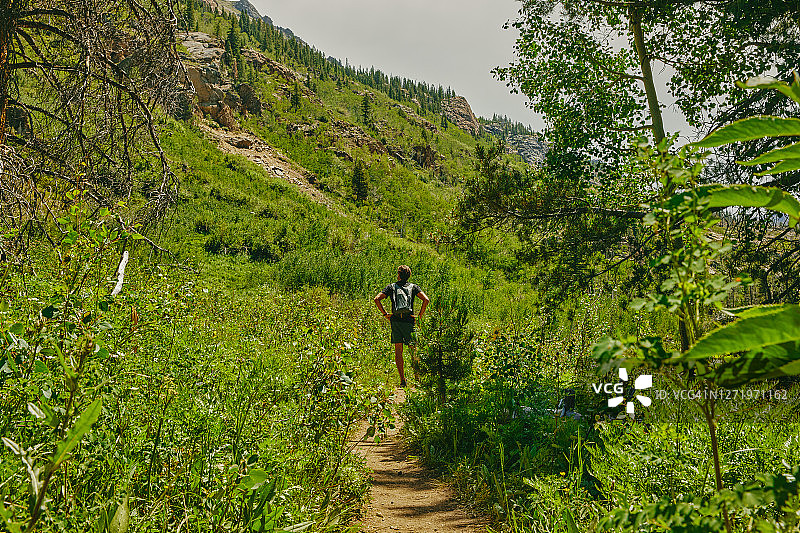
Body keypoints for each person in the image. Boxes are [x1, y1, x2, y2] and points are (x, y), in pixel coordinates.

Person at [374, 265, 429, 387]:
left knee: (398, 351)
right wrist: (419, 316)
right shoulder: (413, 287)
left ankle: (402, 380)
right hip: (409, 321)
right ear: (409, 275)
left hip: (396, 321)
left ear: (398, 275)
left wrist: (385, 314)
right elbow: (426, 300)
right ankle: (417, 378)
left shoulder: (391, 287)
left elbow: (377, 299)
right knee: (413, 350)